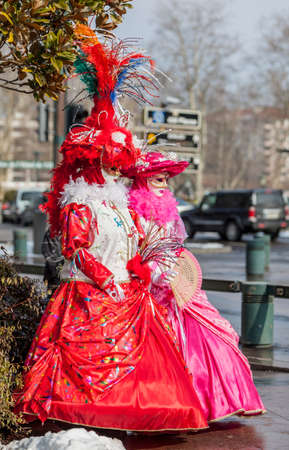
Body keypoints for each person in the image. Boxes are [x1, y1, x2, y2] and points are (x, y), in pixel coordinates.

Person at [14, 27, 207, 433]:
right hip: (87, 296)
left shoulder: (119, 206)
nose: (119, 167)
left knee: (145, 364)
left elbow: (133, 244)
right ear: (94, 159)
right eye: (112, 159)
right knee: (81, 367)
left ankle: (131, 417)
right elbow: (77, 251)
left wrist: (143, 268)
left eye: (121, 160)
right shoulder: (79, 202)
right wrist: (107, 280)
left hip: (125, 296)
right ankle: (87, 420)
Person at [127, 151, 266, 422]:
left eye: (167, 179)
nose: (165, 185)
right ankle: (174, 409)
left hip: (177, 284)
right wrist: (152, 273)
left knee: (210, 338)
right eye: (158, 179)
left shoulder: (169, 211)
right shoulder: (132, 212)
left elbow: (175, 247)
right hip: (150, 290)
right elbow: (130, 253)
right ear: (143, 180)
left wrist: (175, 271)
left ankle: (214, 402)